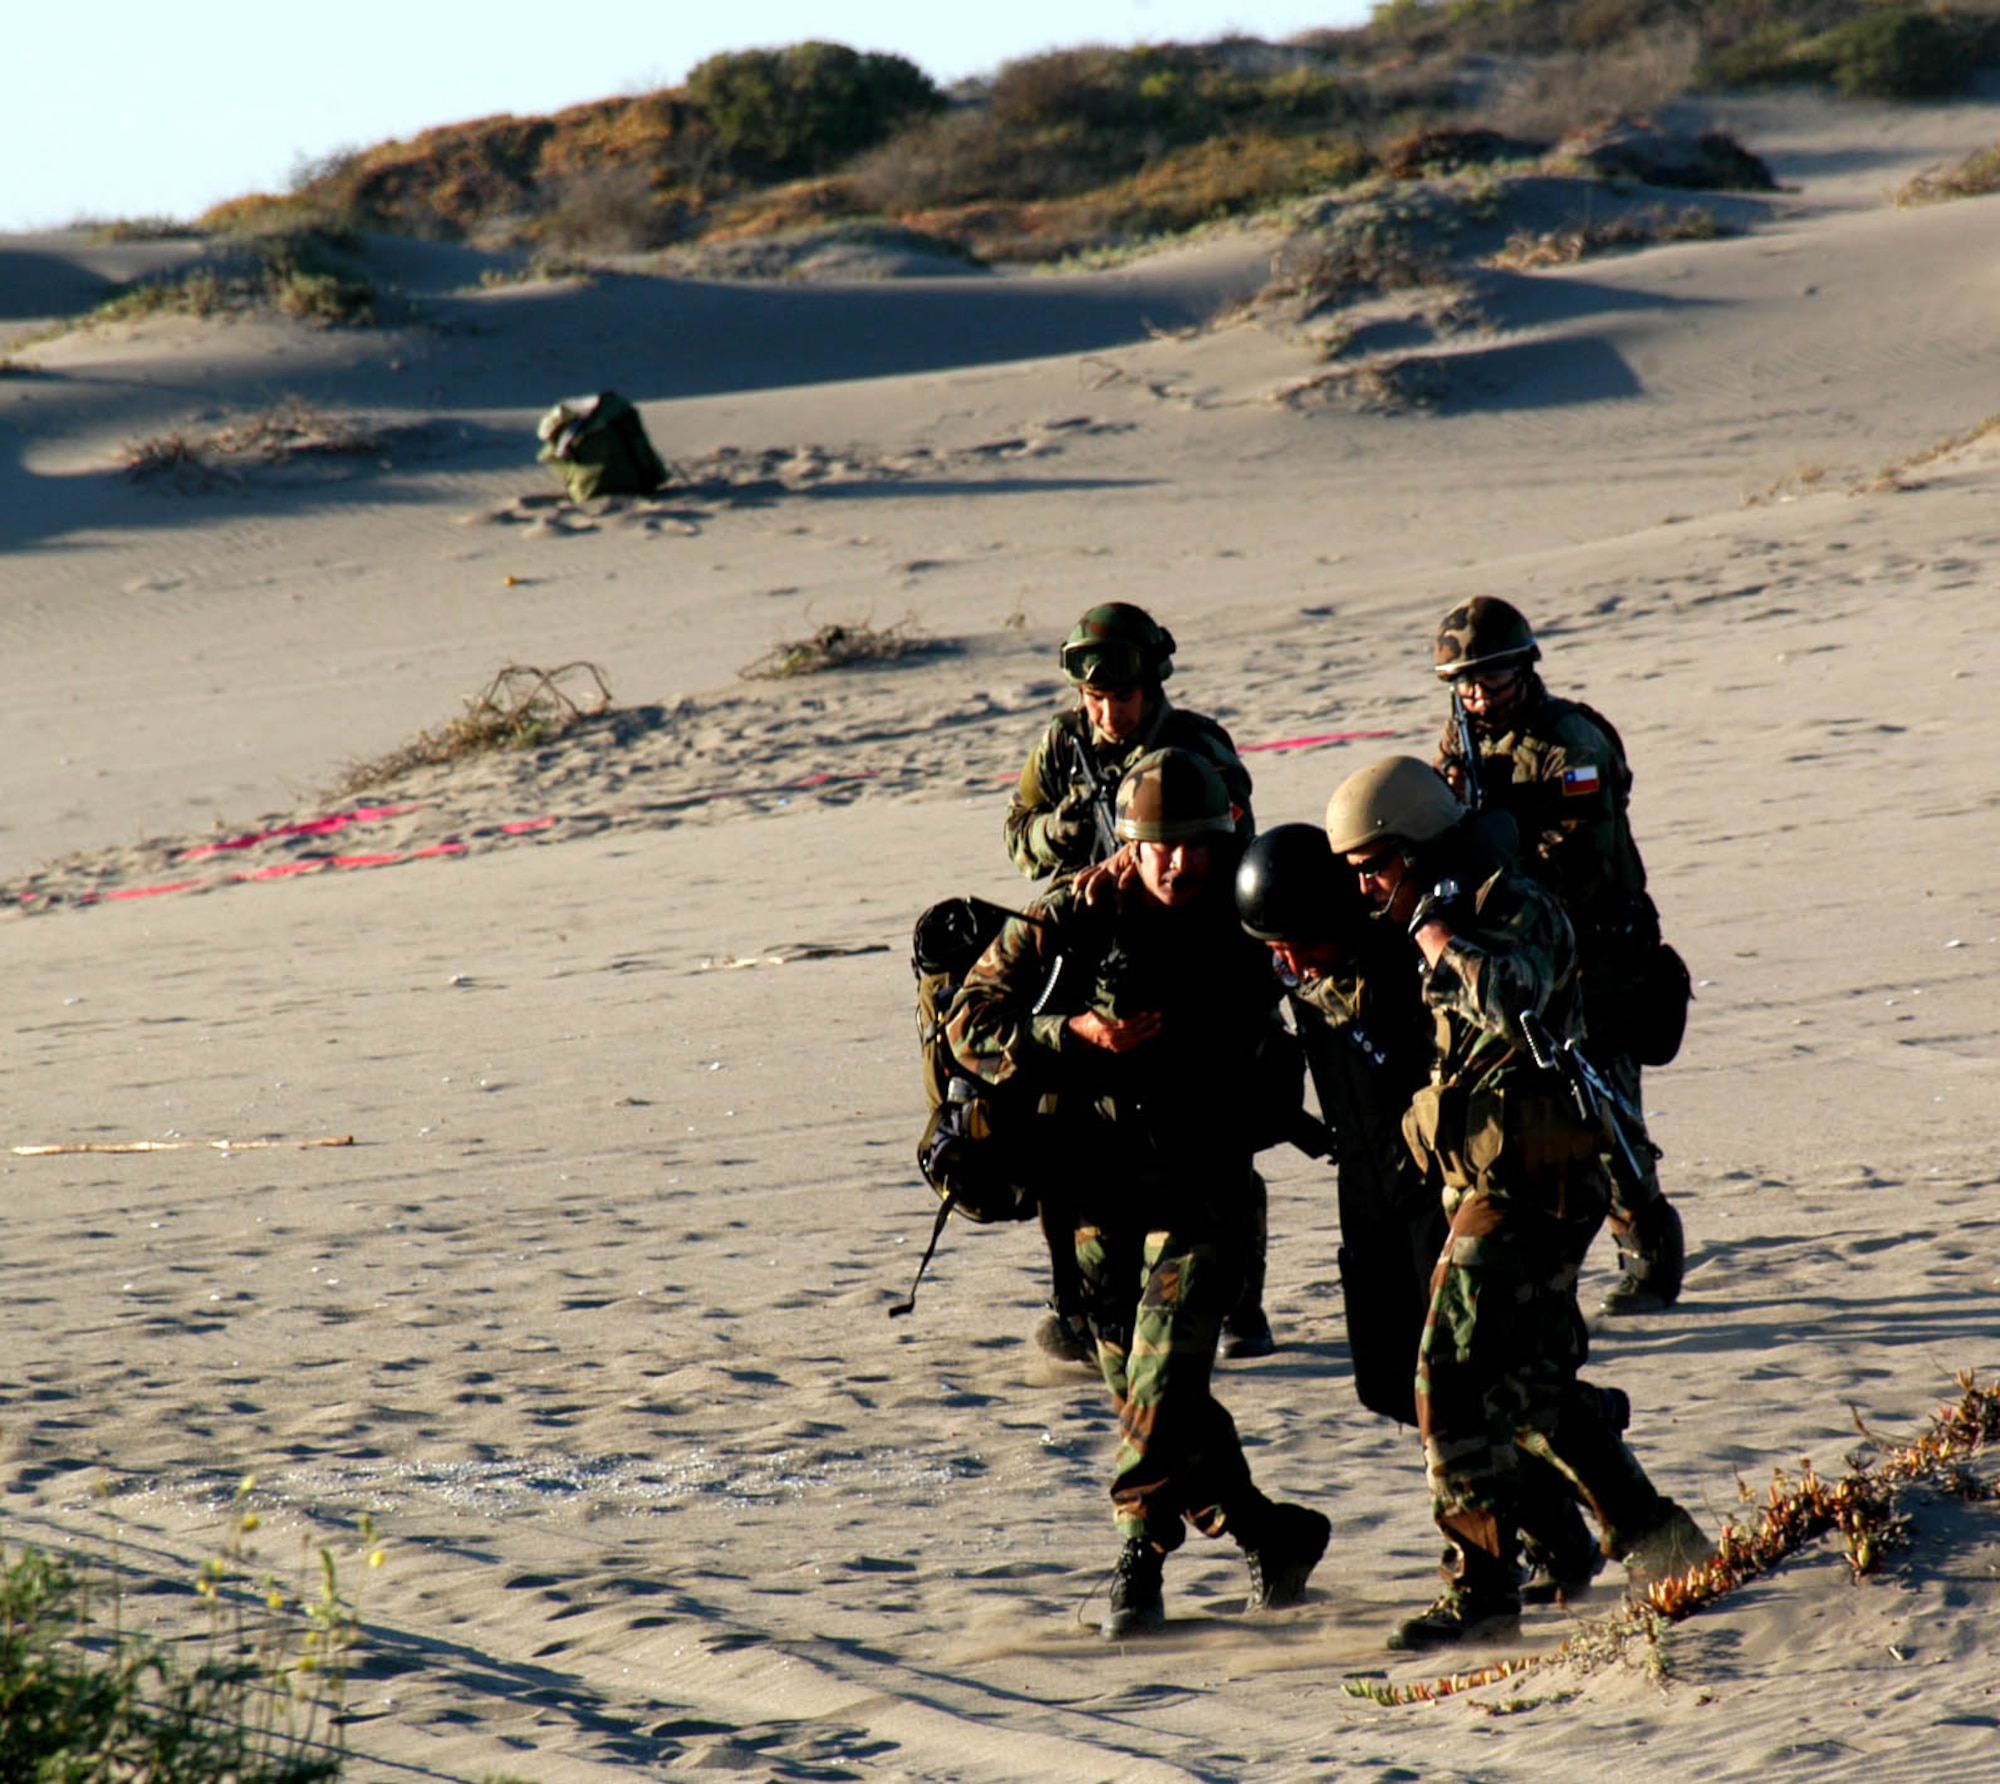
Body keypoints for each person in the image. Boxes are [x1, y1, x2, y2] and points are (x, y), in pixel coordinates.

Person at [1324, 756, 1709, 1651]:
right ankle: (1662, 1542)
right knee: (1533, 1389)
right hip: (1502, 1179)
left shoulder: (1512, 906)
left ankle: (1482, 1587)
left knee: (1448, 1380)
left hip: (1533, 1186)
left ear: (1417, 848)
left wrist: (1440, 941)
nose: (1368, 887)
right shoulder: (1433, 909)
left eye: (1375, 866)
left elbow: (1517, 997)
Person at [951, 749, 1328, 1638]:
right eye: (1156, 846)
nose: (1176, 864)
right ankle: (1271, 1535)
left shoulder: (1252, 907)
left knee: (1162, 1384)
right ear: (1128, 842)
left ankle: (1140, 1555)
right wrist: (1070, 1035)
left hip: (1207, 1193)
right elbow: (970, 1019)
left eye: (1192, 845)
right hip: (1095, 1197)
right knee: (1150, 1398)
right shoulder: (1073, 914)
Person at [1236, 822, 1612, 1607]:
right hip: (1365, 1196)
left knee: (1468, 1387)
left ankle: (1524, 1550)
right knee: (1389, 1384)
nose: (1289, 963)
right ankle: (1567, 1505)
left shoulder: (1408, 965)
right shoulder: (1300, 977)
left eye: (1297, 943)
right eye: (1274, 950)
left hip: (1443, 1196)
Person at [1005, 603, 1273, 1362]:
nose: (1108, 712)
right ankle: (1081, 1305)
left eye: (1121, 698)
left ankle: (1237, 1303)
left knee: (1223, 1128)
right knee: (1068, 1129)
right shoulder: (1062, 745)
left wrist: (1158, 849)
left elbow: (1237, 837)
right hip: (1089, 949)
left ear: (1151, 685)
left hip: (1194, 948)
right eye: (1095, 700)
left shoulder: (1195, 746)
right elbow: (1017, 831)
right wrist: (1057, 836)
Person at [1431, 596, 1686, 1315]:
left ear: (1525, 667)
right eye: (1464, 682)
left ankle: (1649, 1255)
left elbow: (1584, 858)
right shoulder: (1463, 743)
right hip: (1520, 957)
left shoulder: (1570, 742)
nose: (1479, 695)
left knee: (1609, 1116)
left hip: (1597, 955)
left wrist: (1495, 846)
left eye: (1492, 677)